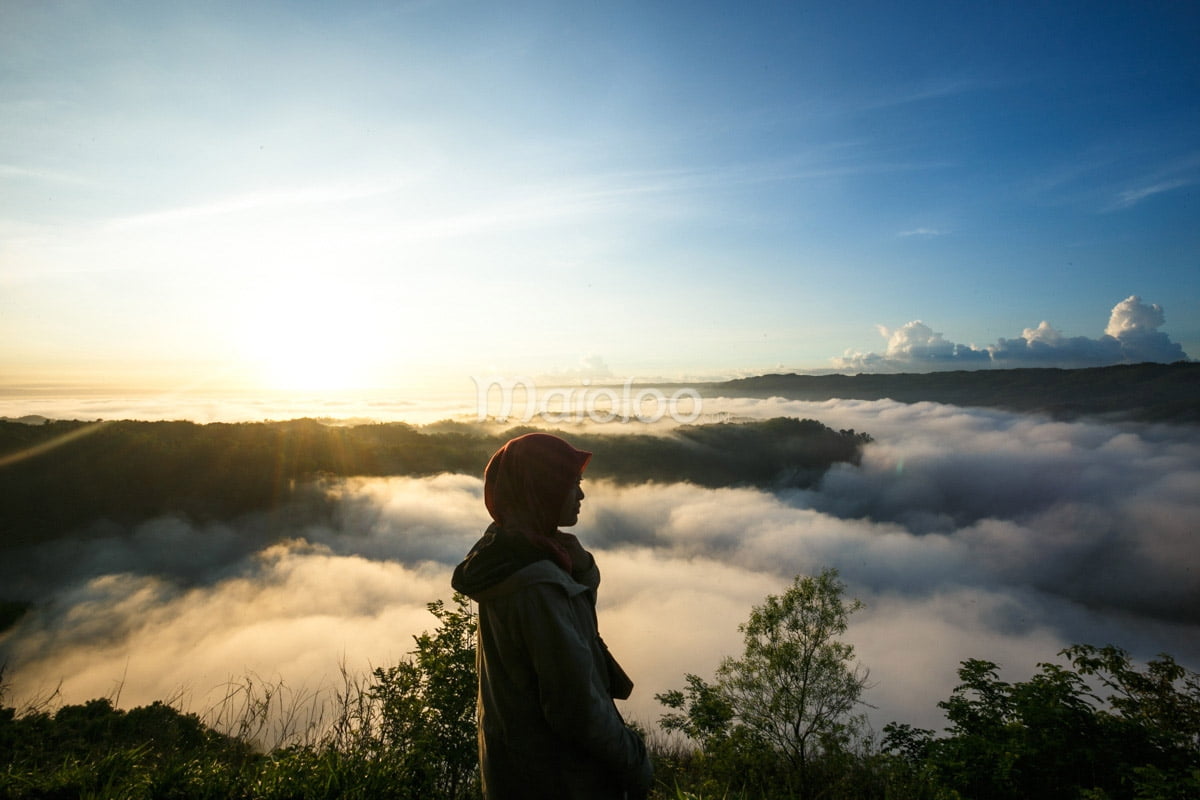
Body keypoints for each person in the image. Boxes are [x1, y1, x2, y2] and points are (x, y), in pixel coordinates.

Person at [451, 432, 653, 800]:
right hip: (560, 780)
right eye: (572, 483)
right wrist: (636, 760)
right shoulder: (536, 587)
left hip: (521, 772)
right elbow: (574, 708)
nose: (581, 494)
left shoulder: (507, 553)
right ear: (542, 489)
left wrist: (583, 569)